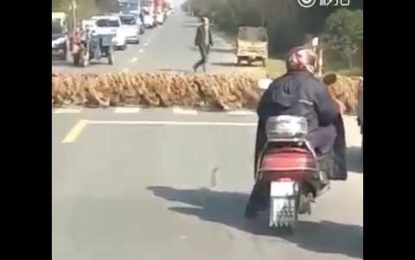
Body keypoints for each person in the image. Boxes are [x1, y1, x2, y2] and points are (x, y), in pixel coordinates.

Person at [244, 46, 347, 218]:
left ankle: (259, 194)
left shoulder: (275, 84)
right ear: (310, 65)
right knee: (333, 128)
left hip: (274, 141)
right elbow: (328, 114)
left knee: (262, 134)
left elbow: (261, 111)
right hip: (308, 138)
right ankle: (325, 169)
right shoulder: (316, 86)